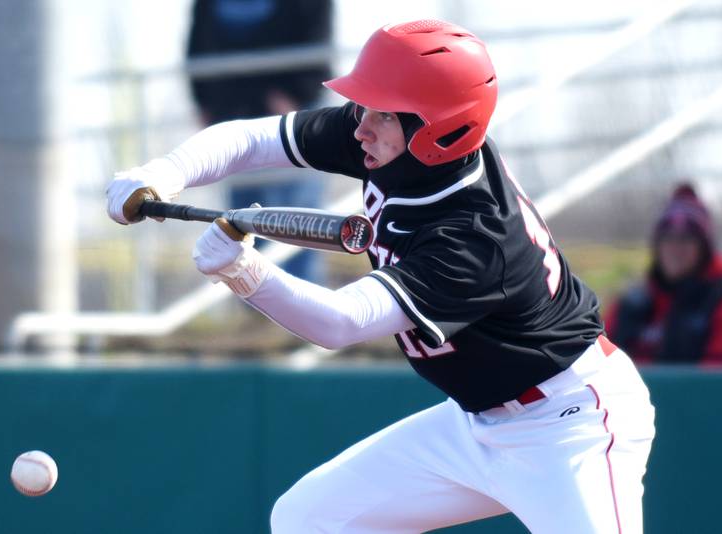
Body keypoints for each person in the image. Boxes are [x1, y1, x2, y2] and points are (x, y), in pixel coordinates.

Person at [108, 20, 655, 534]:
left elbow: (342, 323)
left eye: (384, 112)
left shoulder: (477, 236)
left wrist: (246, 273)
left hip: (570, 423)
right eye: (366, 105)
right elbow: (254, 140)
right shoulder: (395, 141)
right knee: (308, 519)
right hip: (476, 423)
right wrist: (162, 173)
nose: (361, 124)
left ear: (439, 129)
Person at [186, 0, 333, 280]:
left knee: (299, 220)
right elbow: (198, 42)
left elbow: (317, 39)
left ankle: (301, 303)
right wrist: (205, 100)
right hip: (233, 117)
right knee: (242, 221)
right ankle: (252, 304)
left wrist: (296, 96)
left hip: (289, 120)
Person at [605, 184, 722, 365]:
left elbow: (714, 379)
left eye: (686, 239)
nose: (675, 248)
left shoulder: (717, 300)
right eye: (667, 238)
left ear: (704, 248)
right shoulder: (631, 304)